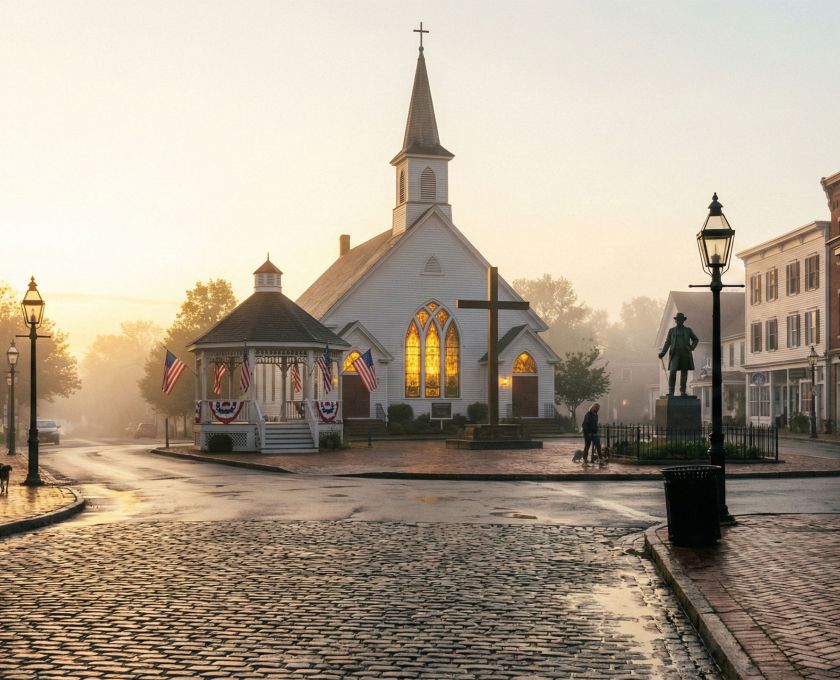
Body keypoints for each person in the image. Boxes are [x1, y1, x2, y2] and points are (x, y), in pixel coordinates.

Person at [658, 312, 699, 397]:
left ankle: (683, 391)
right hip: (675, 354)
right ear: (676, 321)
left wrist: (691, 347)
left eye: (681, 319)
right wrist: (663, 353)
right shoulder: (672, 331)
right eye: (678, 320)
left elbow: (695, 339)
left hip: (685, 353)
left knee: (684, 373)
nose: (679, 321)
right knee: (673, 372)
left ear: (683, 320)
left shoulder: (688, 330)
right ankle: (671, 391)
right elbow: (667, 342)